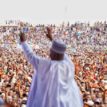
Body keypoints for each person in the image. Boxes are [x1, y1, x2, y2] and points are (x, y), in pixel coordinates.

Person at [19, 27, 83, 107]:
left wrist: (23, 42)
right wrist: (51, 38)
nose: (50, 53)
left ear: (54, 53)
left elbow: (31, 56)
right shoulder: (69, 65)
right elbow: (63, 53)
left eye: (51, 51)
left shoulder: (46, 65)